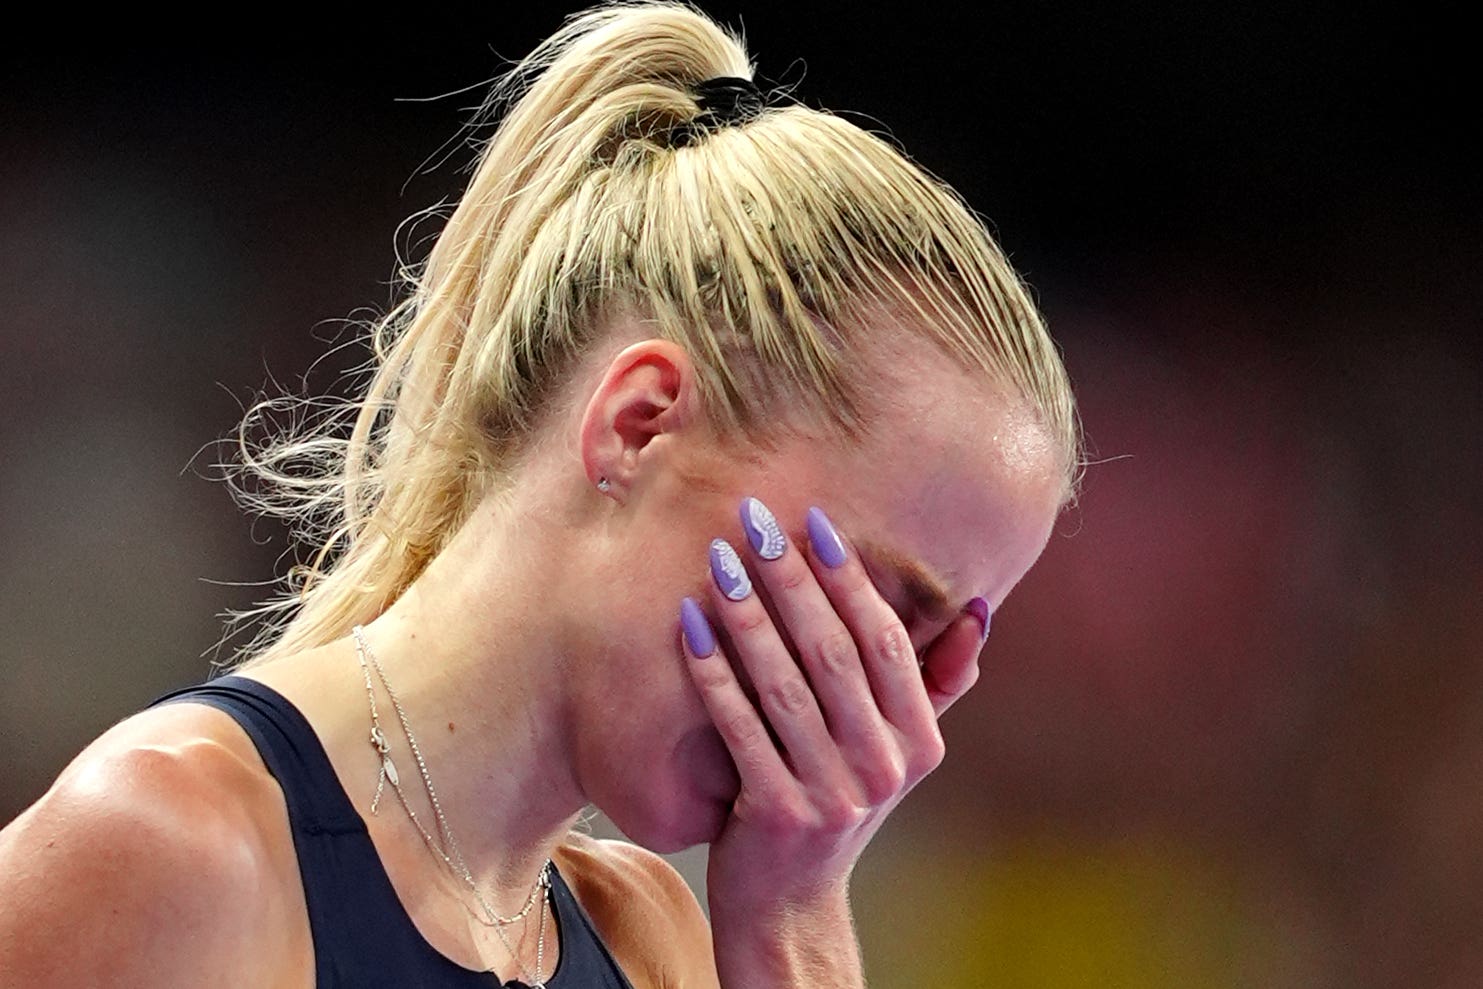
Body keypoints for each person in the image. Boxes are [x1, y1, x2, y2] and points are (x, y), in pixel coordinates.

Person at [0, 2, 1081, 985]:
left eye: (931, 650)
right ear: (637, 421)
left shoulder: (657, 939)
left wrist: (794, 922)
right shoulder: (172, 853)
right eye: (879, 601)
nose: (884, 718)